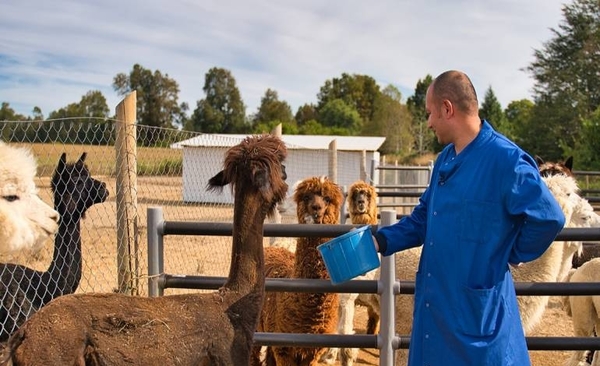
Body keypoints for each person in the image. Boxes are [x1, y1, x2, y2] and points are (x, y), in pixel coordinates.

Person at [372, 70, 565, 365]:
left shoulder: (506, 160)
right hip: (437, 309)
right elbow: (424, 217)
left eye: (430, 114)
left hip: (477, 318)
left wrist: (511, 252)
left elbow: (549, 217)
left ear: (447, 109)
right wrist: (381, 240)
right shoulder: (445, 160)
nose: (429, 123)